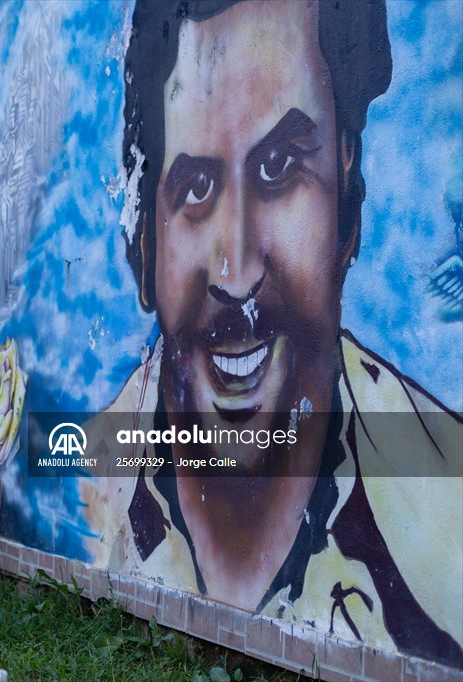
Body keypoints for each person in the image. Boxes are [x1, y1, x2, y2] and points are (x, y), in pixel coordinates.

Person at [80, 0, 463, 668]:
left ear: (348, 193)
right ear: (144, 245)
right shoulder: (83, 486)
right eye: (194, 186)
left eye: (280, 167)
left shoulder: (448, 500)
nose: (237, 271)